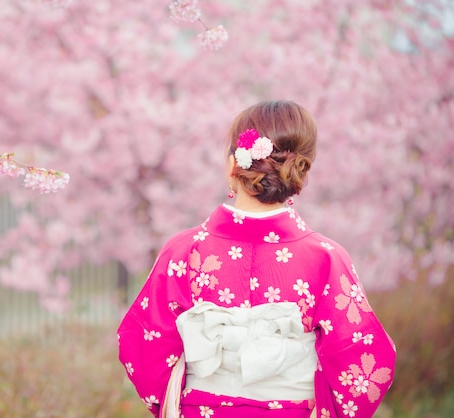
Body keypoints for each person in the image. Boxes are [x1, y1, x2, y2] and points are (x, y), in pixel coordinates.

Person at [117, 101, 396, 418]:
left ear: (233, 165)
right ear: (300, 169)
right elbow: (365, 358)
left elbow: (140, 345)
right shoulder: (326, 258)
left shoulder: (184, 252)